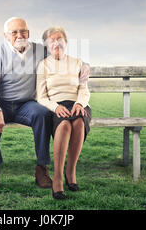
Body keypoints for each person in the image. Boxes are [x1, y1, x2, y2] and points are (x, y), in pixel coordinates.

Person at [0, 17, 90, 189]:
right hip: (2, 103)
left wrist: (85, 65)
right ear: (6, 36)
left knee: (42, 114)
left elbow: (61, 53)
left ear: (28, 33)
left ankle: (41, 168)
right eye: (14, 32)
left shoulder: (40, 50)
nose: (19, 35)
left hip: (26, 104)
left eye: (23, 31)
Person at [37, 27, 92, 200]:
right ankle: (58, 178)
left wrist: (79, 103)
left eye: (59, 39)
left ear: (66, 42)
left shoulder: (77, 63)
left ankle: (71, 171)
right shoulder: (43, 65)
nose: (56, 43)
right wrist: (55, 107)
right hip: (56, 105)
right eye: (51, 40)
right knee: (65, 125)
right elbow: (41, 97)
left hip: (77, 103)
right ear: (47, 44)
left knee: (78, 122)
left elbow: (84, 89)